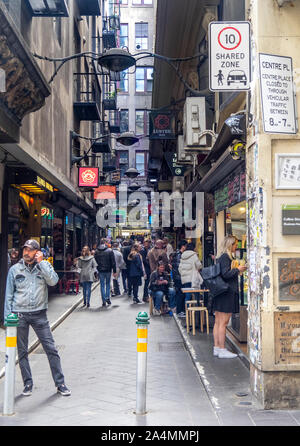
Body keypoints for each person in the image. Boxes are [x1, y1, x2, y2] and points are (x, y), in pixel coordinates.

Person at [4, 240, 71, 397]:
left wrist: (43, 263)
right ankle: (28, 383)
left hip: (39, 314)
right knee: (22, 352)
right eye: (25, 250)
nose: (26, 253)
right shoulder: (15, 270)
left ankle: (60, 383)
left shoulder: (44, 267)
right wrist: (8, 319)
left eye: (30, 250)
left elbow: (53, 281)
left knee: (51, 349)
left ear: (37, 252)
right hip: (19, 314)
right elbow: (8, 295)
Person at [213, 235, 247, 359]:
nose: (236, 247)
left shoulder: (221, 257)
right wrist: (238, 269)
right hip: (226, 293)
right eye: (235, 244)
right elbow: (226, 274)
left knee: (218, 322)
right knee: (223, 323)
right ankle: (222, 349)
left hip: (220, 293)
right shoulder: (225, 257)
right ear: (230, 245)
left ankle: (217, 347)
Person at [94, 238, 117, 307]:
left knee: (102, 285)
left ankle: (103, 300)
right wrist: (114, 271)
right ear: (105, 243)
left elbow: (95, 262)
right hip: (108, 270)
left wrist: (97, 269)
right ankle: (107, 297)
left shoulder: (96, 251)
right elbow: (113, 262)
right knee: (107, 284)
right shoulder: (110, 251)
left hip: (100, 270)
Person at [171, 239, 188, 317]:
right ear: (183, 246)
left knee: (181, 294)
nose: (186, 247)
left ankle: (180, 311)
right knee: (180, 294)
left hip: (178, 277)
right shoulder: (179, 255)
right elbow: (179, 267)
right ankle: (179, 311)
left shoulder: (177, 254)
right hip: (179, 277)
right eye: (186, 246)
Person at [140, 238, 151, 303]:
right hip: (146, 269)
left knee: (149, 283)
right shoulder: (142, 251)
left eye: (148, 243)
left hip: (150, 268)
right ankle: (145, 296)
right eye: (146, 243)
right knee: (146, 283)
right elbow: (144, 260)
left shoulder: (150, 249)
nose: (147, 244)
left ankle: (147, 296)